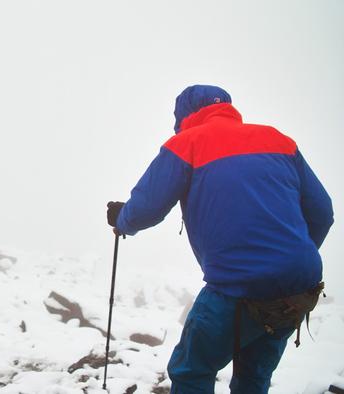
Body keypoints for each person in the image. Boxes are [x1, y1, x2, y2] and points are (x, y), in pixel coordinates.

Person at [107, 85, 333, 393]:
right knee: (253, 377)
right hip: (298, 289)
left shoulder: (187, 143)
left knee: (192, 371)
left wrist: (122, 220)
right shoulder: (279, 141)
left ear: (184, 114)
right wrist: (287, 258)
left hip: (238, 286)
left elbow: (148, 207)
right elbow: (323, 212)